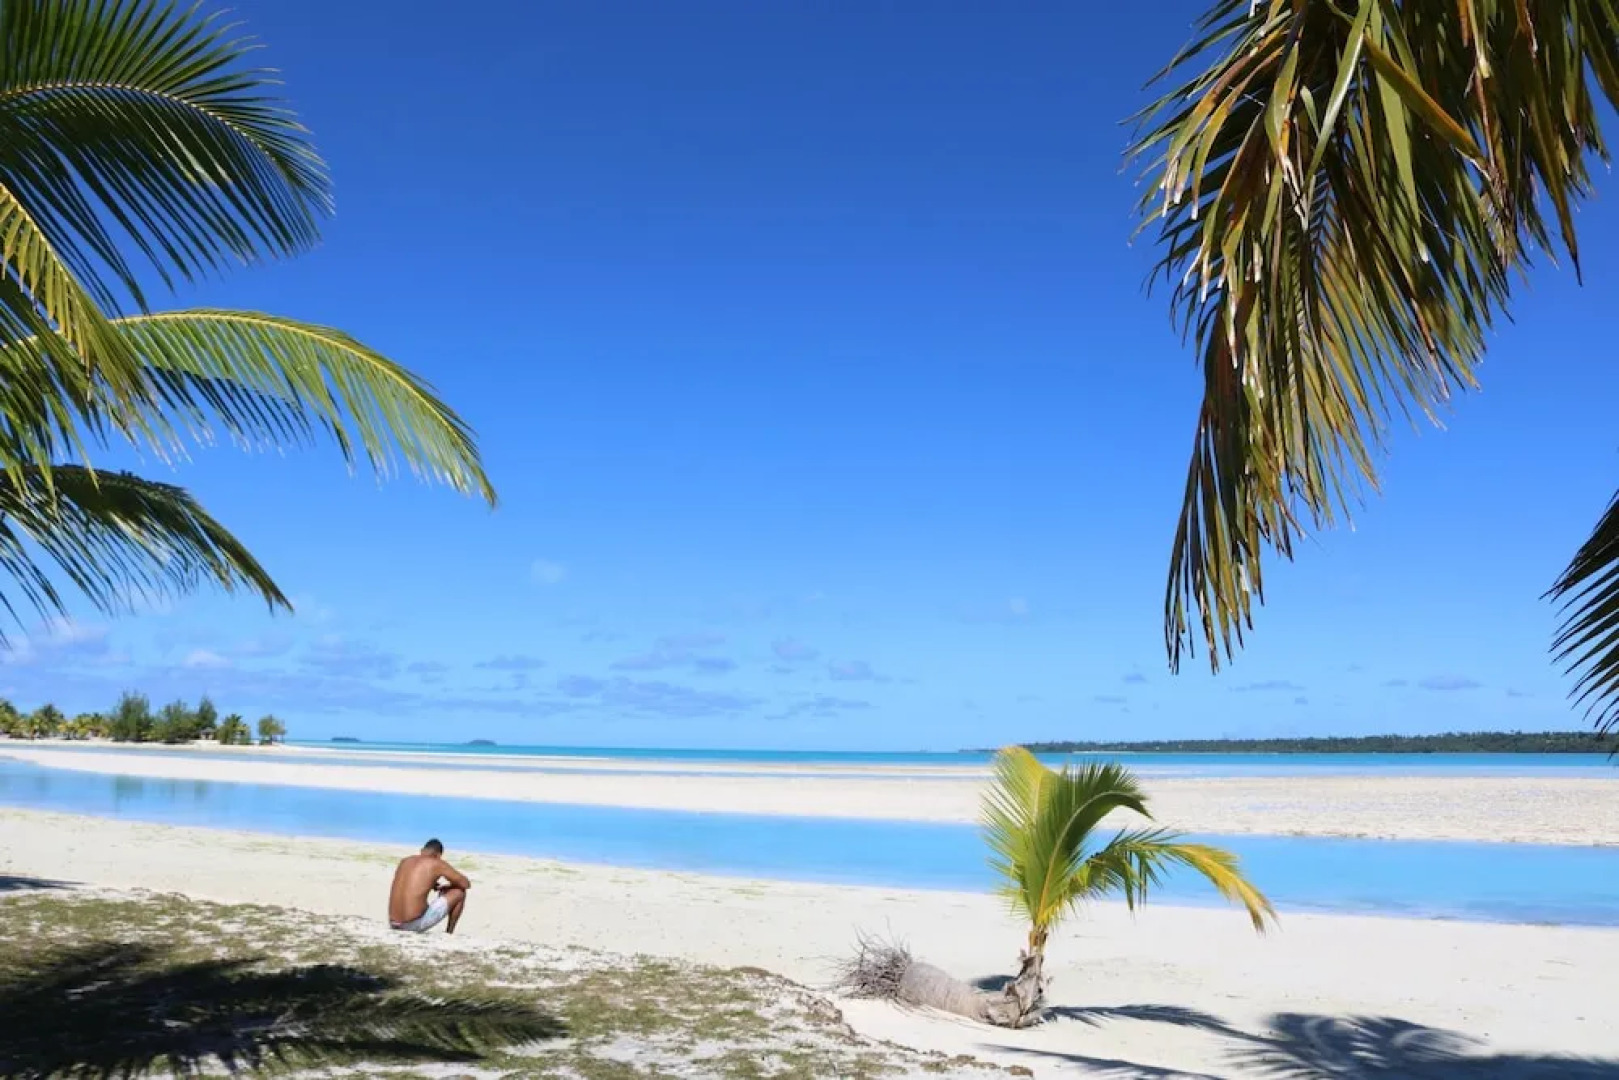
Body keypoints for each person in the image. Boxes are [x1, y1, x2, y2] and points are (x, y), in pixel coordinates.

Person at [388, 838, 470, 934]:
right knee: (459, 892)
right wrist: (449, 886)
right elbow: (465, 883)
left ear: (422, 850)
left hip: (393, 923)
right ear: (438, 855)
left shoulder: (405, 861)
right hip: (412, 925)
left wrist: (432, 884)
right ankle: (449, 932)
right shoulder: (436, 863)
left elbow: (412, 883)